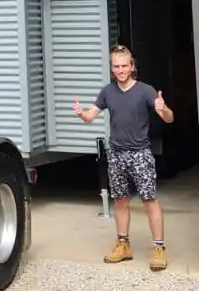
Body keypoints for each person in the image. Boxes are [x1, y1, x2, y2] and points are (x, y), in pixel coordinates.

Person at [73, 45, 174, 271]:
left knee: (149, 200)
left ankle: (158, 248)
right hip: (116, 155)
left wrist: (163, 109)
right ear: (112, 68)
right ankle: (123, 245)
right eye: (116, 66)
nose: (120, 70)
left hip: (140, 154)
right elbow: (90, 116)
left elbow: (169, 118)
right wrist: (81, 114)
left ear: (132, 66)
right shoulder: (107, 92)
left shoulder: (146, 91)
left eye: (124, 66)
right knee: (120, 200)